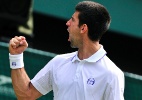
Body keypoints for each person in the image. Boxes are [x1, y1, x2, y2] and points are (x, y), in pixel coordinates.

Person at [9, 1, 125, 100]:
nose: (67, 23)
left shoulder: (112, 74)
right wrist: (16, 56)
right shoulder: (59, 62)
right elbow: (26, 95)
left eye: (73, 20)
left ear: (83, 28)